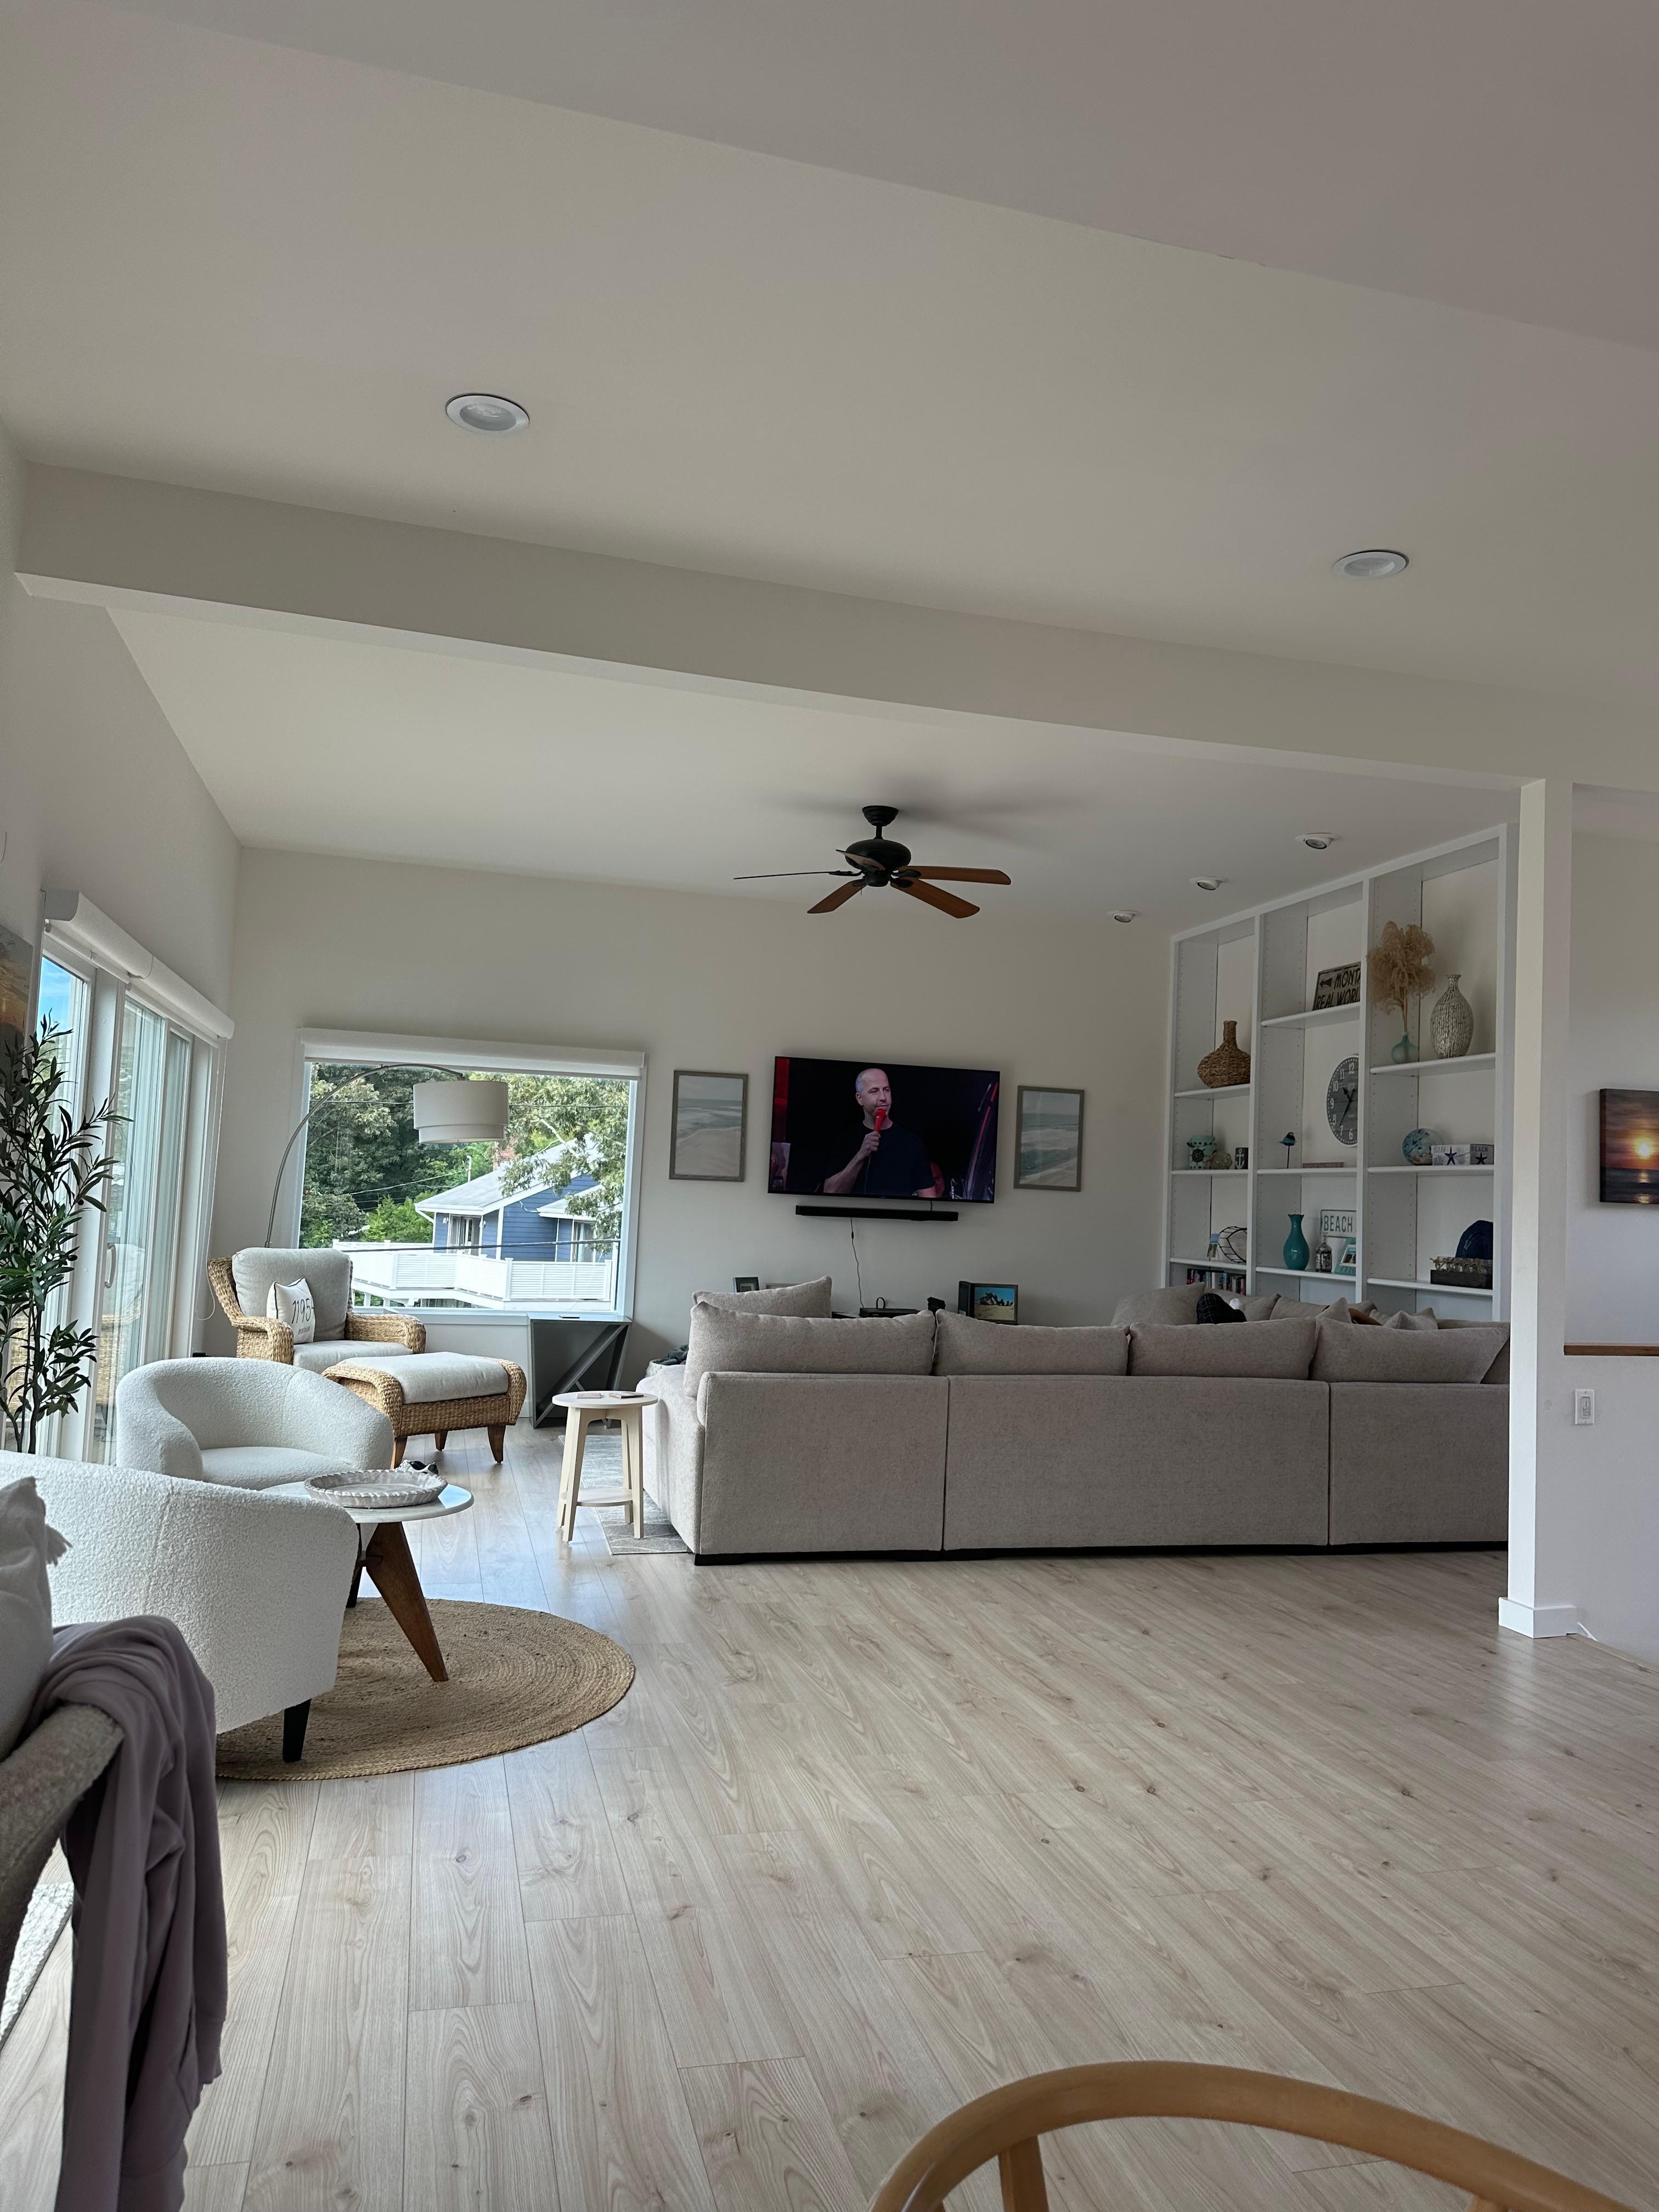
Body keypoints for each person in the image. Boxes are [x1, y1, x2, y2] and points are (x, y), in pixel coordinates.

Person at [821, 1068, 940, 1198]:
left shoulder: (912, 1144)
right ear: (860, 1099)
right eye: (874, 1091)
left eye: (886, 1090)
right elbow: (830, 1193)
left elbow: (929, 1200)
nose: (883, 1098)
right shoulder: (845, 1140)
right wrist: (861, 1155)